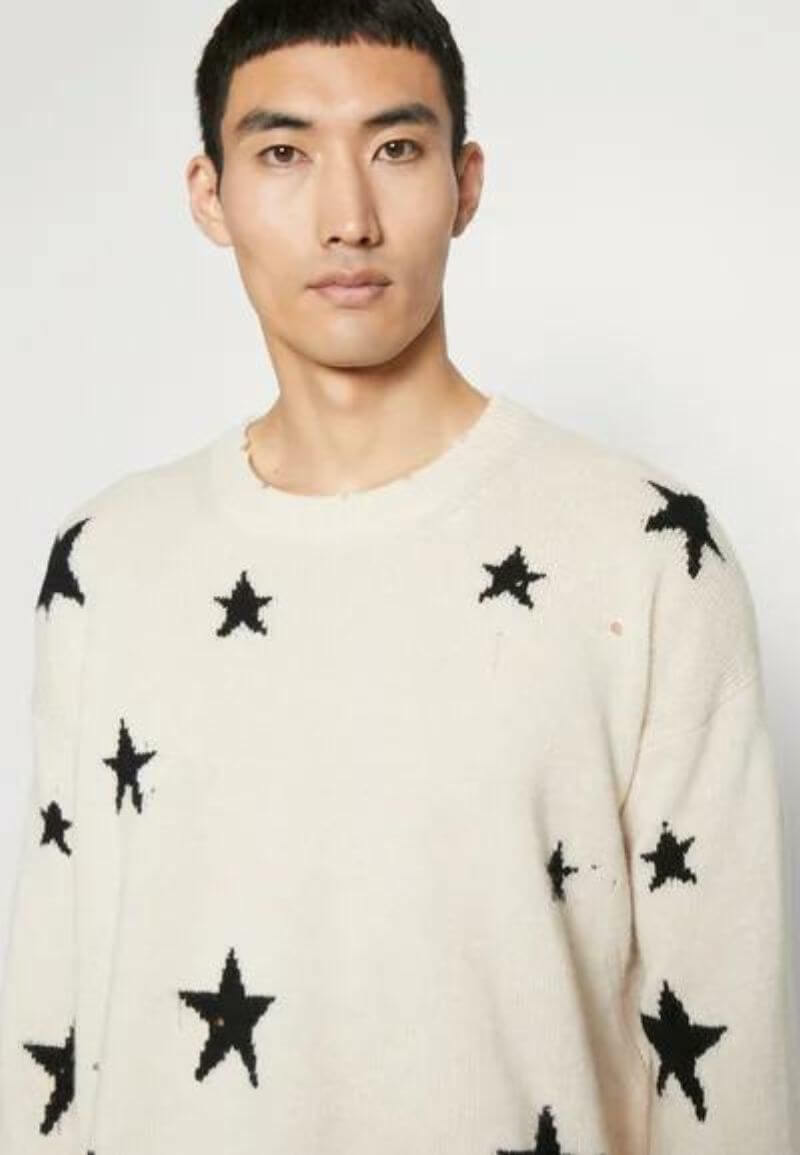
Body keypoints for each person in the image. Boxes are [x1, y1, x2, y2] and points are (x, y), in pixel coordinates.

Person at [1, 2, 798, 1152]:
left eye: (395, 148)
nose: (348, 218)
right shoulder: (108, 561)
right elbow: (51, 1022)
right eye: (284, 153)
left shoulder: (645, 550)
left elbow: (726, 1056)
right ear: (209, 195)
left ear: (463, 184)